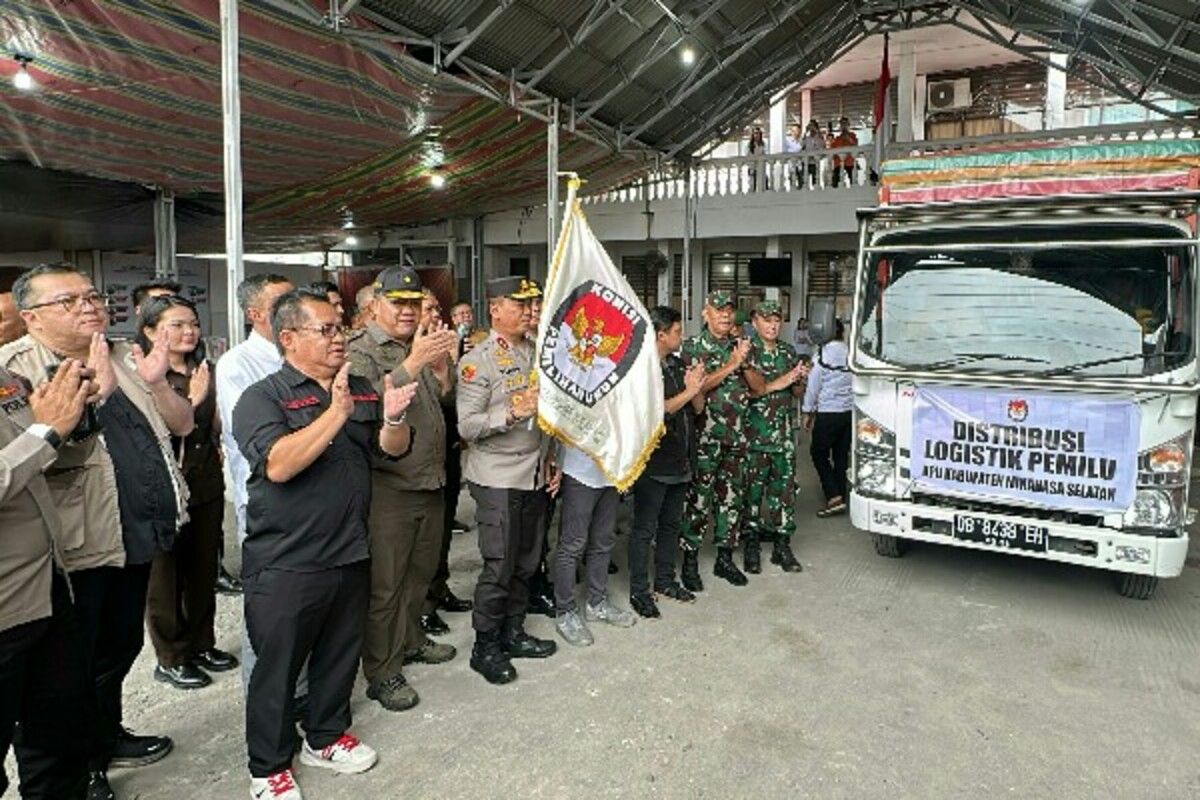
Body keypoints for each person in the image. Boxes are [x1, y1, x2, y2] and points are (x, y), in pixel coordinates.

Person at [2, 264, 193, 800]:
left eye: (92, 296)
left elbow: (162, 428)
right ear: (31, 317)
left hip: (127, 532)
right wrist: (75, 413)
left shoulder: (117, 355)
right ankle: (84, 761)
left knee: (119, 648)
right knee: (71, 671)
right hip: (73, 547)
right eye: (69, 301)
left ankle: (106, 736)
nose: (89, 306)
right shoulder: (17, 371)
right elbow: (33, 459)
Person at [233, 288, 417, 799]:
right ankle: (268, 765)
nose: (340, 338)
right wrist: (334, 414)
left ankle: (326, 736)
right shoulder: (262, 397)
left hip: (350, 549)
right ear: (288, 337)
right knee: (278, 668)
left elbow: (390, 452)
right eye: (328, 330)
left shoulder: (357, 386)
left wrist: (396, 418)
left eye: (340, 327)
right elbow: (279, 464)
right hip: (288, 560)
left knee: (339, 655)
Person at [346, 268, 459, 712]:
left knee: (419, 574)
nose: (409, 311)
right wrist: (413, 363)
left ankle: (411, 640)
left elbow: (444, 402)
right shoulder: (361, 351)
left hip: (429, 478)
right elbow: (362, 406)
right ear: (375, 306)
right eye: (399, 303)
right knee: (385, 587)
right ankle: (382, 671)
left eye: (414, 303)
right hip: (388, 486)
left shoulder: (422, 344)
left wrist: (440, 369)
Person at [457, 276, 559, 685]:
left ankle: (513, 631)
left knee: (527, 562)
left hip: (534, 471)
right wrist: (511, 415)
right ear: (496, 309)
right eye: (522, 305)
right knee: (499, 565)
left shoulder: (535, 352)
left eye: (534, 305)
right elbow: (466, 426)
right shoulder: (478, 360)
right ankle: (486, 646)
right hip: (498, 476)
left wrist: (552, 458)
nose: (531, 312)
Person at [0, 359, 94, 798]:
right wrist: (45, 432)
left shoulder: (6, 379)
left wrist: (74, 424)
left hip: (48, 585)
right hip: (5, 606)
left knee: (59, 738)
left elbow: (42, 457)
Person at [138, 296, 239, 691]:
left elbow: (213, 426)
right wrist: (194, 400)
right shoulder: (144, 375)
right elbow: (159, 430)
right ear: (149, 331)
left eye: (192, 324)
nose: (188, 331)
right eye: (176, 324)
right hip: (164, 486)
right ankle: (171, 656)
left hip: (205, 481)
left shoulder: (202, 367)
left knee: (202, 569)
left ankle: (201, 643)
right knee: (165, 576)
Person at [215, 273, 293, 607]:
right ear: (254, 314)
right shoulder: (237, 363)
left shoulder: (301, 352)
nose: (292, 309)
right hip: (265, 494)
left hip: (311, 493)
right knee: (270, 600)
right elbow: (254, 435)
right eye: (280, 304)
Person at [627, 307, 705, 620]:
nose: (681, 336)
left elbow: (697, 409)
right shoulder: (642, 369)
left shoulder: (676, 364)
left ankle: (664, 580)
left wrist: (696, 389)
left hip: (680, 459)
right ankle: (639, 590)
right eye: (676, 331)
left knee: (671, 526)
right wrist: (688, 392)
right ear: (661, 334)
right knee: (644, 529)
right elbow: (655, 412)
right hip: (653, 463)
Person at [679, 290, 752, 589]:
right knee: (698, 499)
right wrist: (732, 364)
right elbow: (698, 386)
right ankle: (690, 560)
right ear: (705, 313)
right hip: (705, 437)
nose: (725, 315)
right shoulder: (692, 347)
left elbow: (756, 386)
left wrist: (744, 362)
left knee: (731, 499)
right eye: (718, 309)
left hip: (738, 437)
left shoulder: (742, 346)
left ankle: (725, 558)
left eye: (729, 310)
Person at [417, 290, 475, 639]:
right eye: (428, 309)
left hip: (448, 450)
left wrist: (451, 362)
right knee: (421, 540)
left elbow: (455, 400)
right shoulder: (407, 353)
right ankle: (422, 608)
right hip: (416, 459)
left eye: (437, 308)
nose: (435, 314)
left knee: (441, 531)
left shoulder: (443, 349)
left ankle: (439, 589)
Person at [742, 301, 807, 573]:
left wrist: (800, 379)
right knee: (753, 494)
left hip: (783, 437)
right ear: (755, 321)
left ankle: (782, 546)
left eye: (777, 319)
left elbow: (797, 394)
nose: (772, 325)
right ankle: (751, 546)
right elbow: (755, 390)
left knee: (783, 494)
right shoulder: (748, 352)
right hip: (755, 436)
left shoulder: (789, 352)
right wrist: (786, 378)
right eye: (766, 319)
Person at [551, 441, 637, 647]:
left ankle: (596, 603)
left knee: (603, 541)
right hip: (580, 471)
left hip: (611, 472)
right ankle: (565, 612)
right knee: (572, 545)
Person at [802, 320, 853, 517]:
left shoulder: (821, 355)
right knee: (841, 456)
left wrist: (807, 412)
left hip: (828, 413)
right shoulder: (852, 353)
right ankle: (841, 494)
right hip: (848, 413)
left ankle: (833, 497)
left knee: (818, 453)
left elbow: (813, 387)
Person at [830, 117, 858, 187]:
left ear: (848, 125)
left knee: (853, 180)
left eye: (845, 124)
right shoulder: (837, 139)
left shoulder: (852, 136)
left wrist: (847, 137)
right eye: (842, 124)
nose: (843, 126)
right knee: (835, 180)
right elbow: (832, 151)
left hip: (849, 162)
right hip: (839, 163)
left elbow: (855, 145)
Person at [799, 120, 826, 188]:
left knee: (815, 180)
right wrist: (805, 132)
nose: (811, 128)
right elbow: (801, 145)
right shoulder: (807, 138)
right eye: (810, 126)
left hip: (815, 162)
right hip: (806, 161)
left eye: (813, 126)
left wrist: (818, 133)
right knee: (804, 180)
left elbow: (822, 147)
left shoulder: (819, 138)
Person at [746, 125, 768, 191]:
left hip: (760, 167)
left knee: (765, 181)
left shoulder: (762, 144)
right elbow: (748, 156)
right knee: (753, 185)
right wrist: (752, 168)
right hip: (753, 168)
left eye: (758, 133)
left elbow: (764, 154)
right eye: (755, 133)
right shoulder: (750, 145)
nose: (757, 135)